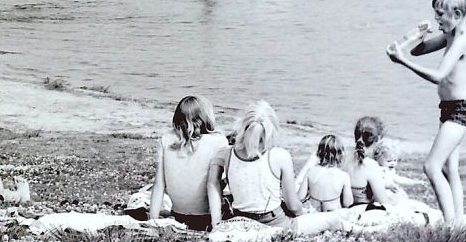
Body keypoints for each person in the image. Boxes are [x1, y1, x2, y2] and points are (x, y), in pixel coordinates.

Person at [387, 0, 466, 223]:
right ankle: (458, 224)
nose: (437, 20)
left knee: (431, 166)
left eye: (440, 15)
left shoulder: (462, 40)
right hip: (449, 109)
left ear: (456, 14)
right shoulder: (451, 35)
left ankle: (449, 227)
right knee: (449, 169)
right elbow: (419, 50)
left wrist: (402, 61)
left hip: (462, 111)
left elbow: (438, 75)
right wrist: (417, 36)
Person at [206, 101, 304, 230]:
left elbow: (212, 184)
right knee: (332, 219)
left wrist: (216, 224)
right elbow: (293, 206)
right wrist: (301, 215)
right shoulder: (280, 156)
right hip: (274, 222)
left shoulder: (225, 154)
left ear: (242, 127)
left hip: (240, 221)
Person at [149, 96, 228, 231]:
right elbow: (213, 184)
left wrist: (153, 221)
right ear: (205, 117)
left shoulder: (166, 138)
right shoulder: (218, 141)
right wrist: (216, 227)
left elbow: (159, 185)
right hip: (206, 218)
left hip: (178, 215)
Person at [298, 135, 353, 212]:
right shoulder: (344, 176)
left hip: (313, 213)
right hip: (332, 215)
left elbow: (300, 197)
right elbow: (347, 203)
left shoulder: (310, 172)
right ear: (340, 155)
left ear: (319, 153)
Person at [345, 116, 390, 207]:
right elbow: (384, 203)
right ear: (378, 139)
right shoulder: (371, 165)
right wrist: (397, 197)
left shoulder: (344, 156)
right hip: (361, 211)